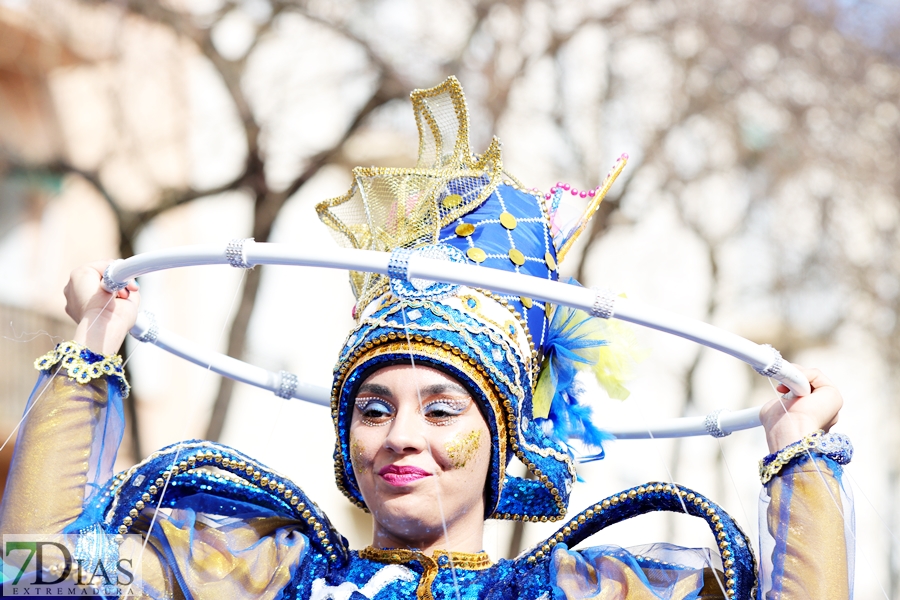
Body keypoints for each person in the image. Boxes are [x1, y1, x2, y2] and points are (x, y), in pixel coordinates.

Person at [0, 77, 852, 599]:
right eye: (374, 409)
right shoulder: (259, 577)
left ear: (502, 436)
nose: (401, 436)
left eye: (442, 409)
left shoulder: (582, 593)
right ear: (345, 438)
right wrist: (93, 350)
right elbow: (28, 568)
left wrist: (799, 461)